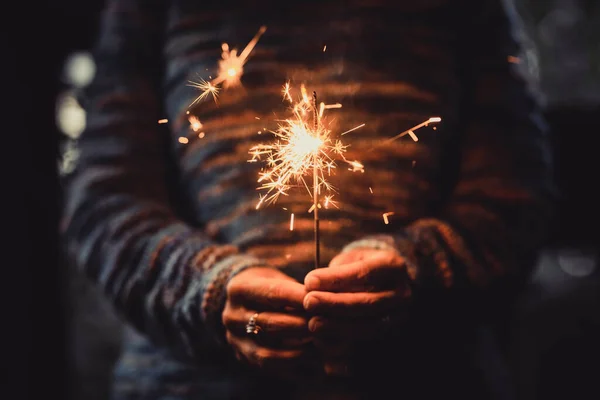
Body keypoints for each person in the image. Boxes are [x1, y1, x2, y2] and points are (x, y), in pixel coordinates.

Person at [60, 0, 556, 398]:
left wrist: (418, 269)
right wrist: (205, 289)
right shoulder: (147, 10)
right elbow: (104, 200)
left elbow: (516, 196)